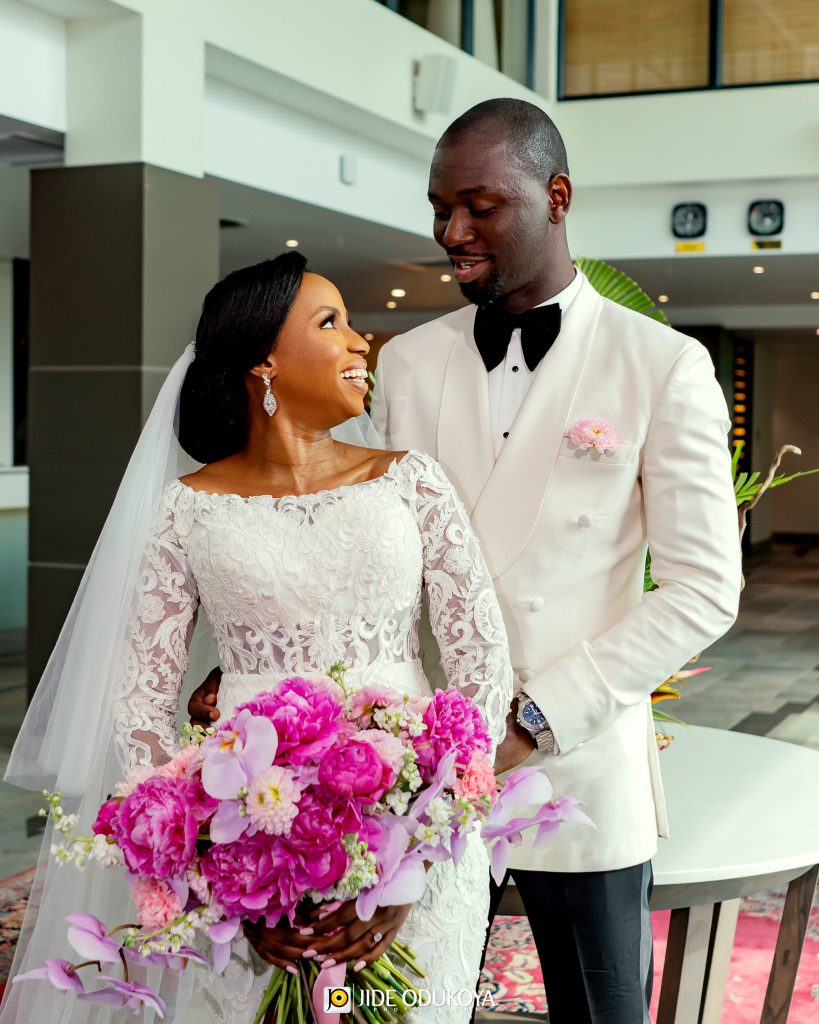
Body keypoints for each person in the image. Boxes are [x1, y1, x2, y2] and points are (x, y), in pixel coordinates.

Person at [192, 99, 742, 1023]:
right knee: (401, 1005)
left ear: (555, 196)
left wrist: (533, 719)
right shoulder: (406, 363)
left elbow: (701, 591)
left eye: (479, 206)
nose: (452, 232)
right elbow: (366, 541)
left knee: (600, 1011)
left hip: (574, 773)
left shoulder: (663, 365)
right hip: (405, 775)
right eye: (440, 207)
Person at [2, 252, 524, 1024]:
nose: (360, 343)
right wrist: (218, 866)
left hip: (418, 829)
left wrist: (411, 861)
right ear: (263, 362)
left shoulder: (411, 480)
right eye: (331, 322)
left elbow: (482, 668)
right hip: (245, 845)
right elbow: (139, 698)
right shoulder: (187, 509)